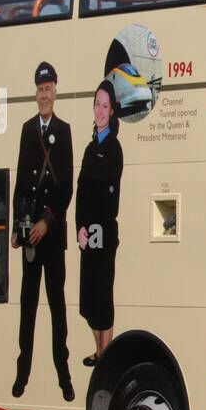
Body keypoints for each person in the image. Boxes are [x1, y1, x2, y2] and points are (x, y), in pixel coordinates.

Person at [11, 63, 74, 401]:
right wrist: (19, 226)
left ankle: (63, 374)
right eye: (40, 90)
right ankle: (23, 373)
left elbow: (65, 188)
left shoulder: (63, 131)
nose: (44, 95)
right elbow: (22, 185)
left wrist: (45, 222)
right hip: (30, 238)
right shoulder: (25, 130)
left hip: (50, 234)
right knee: (28, 305)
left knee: (57, 306)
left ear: (55, 92)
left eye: (48, 89)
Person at [76, 80, 123, 364]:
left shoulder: (114, 148)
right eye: (97, 105)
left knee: (102, 294)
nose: (100, 111)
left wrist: (92, 224)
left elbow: (108, 195)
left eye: (105, 106)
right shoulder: (89, 148)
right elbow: (82, 192)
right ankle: (100, 349)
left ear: (112, 111)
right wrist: (80, 227)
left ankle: (106, 355)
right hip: (90, 230)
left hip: (104, 229)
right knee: (88, 297)